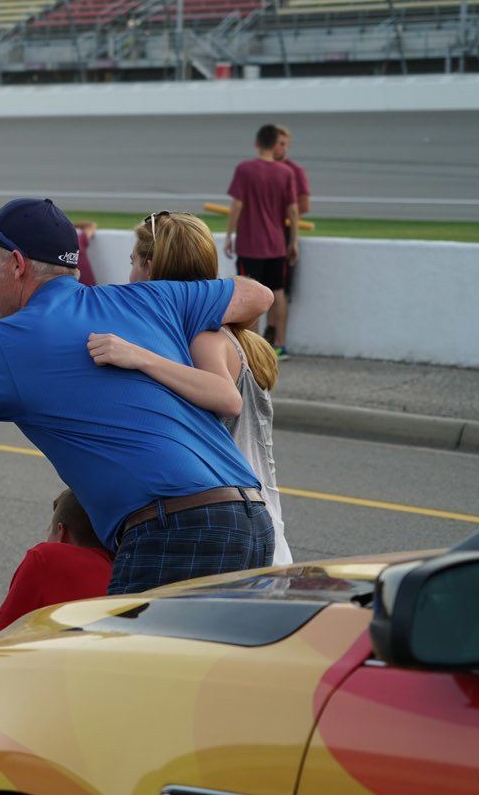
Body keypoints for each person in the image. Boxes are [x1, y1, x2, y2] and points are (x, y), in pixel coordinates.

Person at [0, 198, 276, 596]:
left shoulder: (5, 342)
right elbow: (256, 294)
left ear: (17, 265)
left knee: (136, 669)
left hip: (177, 531)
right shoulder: (148, 299)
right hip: (253, 520)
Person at [84, 212, 291, 565]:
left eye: (133, 262)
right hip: (261, 527)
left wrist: (139, 357)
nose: (129, 275)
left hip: (239, 532)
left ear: (150, 267)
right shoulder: (229, 331)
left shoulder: (205, 336)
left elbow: (227, 398)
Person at [0, 487, 111, 637]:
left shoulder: (47, 559)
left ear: (61, 532)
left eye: (49, 530)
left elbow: (0, 638)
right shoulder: (120, 572)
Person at [224, 124, 299, 356]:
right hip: (276, 245)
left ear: (257, 143)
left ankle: (254, 349)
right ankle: (280, 345)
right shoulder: (286, 173)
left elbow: (237, 205)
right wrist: (293, 241)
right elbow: (293, 210)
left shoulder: (245, 170)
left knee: (250, 295)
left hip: (250, 246)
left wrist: (229, 235)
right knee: (278, 292)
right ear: (275, 144)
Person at [272, 125, 310, 336]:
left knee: (281, 290)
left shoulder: (295, 171)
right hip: (261, 237)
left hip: (282, 234)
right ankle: (267, 338)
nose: (279, 147)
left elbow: (303, 206)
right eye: (276, 143)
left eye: (283, 144)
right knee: (263, 289)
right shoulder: (258, 169)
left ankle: (280, 341)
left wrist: (279, 217)